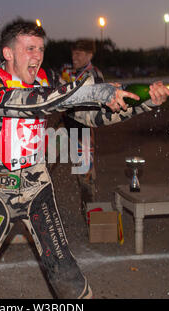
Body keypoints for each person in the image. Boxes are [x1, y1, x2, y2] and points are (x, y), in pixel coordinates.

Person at [0, 19, 169, 299]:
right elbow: (28, 102)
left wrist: (143, 102)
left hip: (37, 188)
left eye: (41, 49)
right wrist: (92, 91)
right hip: (0, 191)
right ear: (7, 53)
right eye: (29, 49)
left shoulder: (47, 81)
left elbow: (89, 116)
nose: (37, 56)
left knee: (67, 278)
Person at [59, 39, 104, 203]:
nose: (74, 57)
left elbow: (96, 103)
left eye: (78, 54)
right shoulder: (70, 72)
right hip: (68, 128)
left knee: (85, 175)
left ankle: (91, 213)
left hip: (83, 131)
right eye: (73, 53)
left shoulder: (94, 74)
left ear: (89, 55)